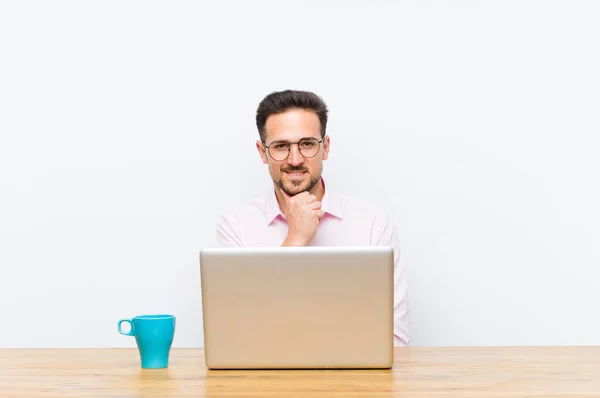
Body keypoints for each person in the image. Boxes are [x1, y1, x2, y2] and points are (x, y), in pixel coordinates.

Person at [216, 89, 410, 346]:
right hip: (265, 384)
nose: (295, 160)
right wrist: (295, 240)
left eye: (307, 144)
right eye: (281, 146)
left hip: (357, 383)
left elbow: (396, 340)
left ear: (325, 147)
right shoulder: (236, 226)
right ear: (262, 153)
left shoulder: (373, 224)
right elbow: (236, 338)